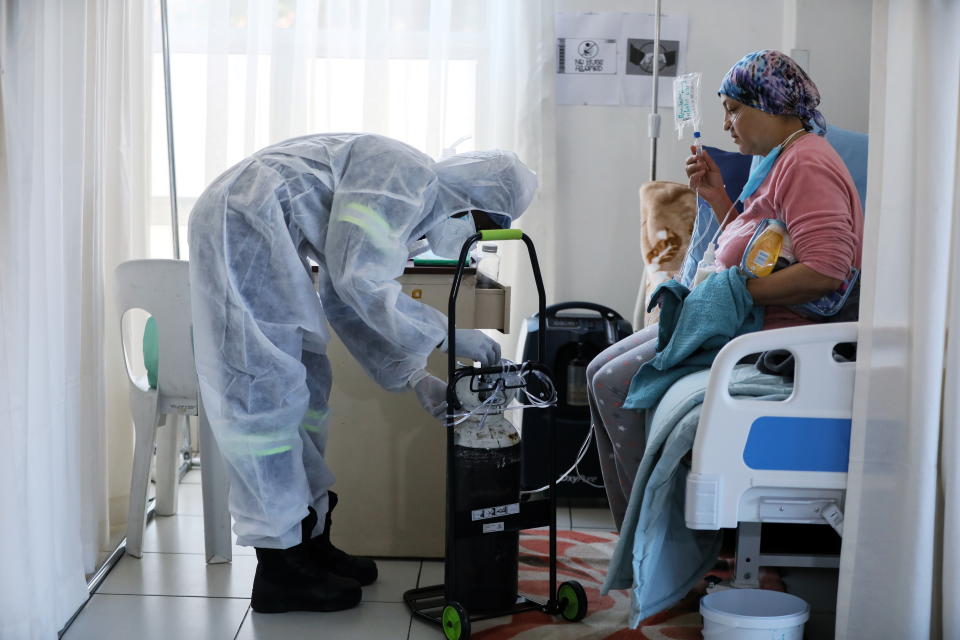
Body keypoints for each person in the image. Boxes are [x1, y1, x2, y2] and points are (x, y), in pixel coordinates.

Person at [188, 133, 537, 613]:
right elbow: (360, 282)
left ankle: (309, 542)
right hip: (243, 219)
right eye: (483, 226)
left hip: (268, 228)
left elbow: (345, 299)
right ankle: (279, 567)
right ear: (471, 202)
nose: (473, 243)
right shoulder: (404, 179)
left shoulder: (409, 205)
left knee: (309, 391)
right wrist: (451, 336)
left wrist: (416, 377)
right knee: (263, 397)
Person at [588, 50, 864, 529]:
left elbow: (827, 271)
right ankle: (635, 529)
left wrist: (731, 296)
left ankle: (655, 533)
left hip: (768, 333)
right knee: (598, 370)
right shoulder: (779, 161)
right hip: (736, 318)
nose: (727, 123)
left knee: (614, 382)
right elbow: (760, 249)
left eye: (736, 109)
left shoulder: (807, 164)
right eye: (723, 111)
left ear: (776, 106)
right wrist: (717, 197)